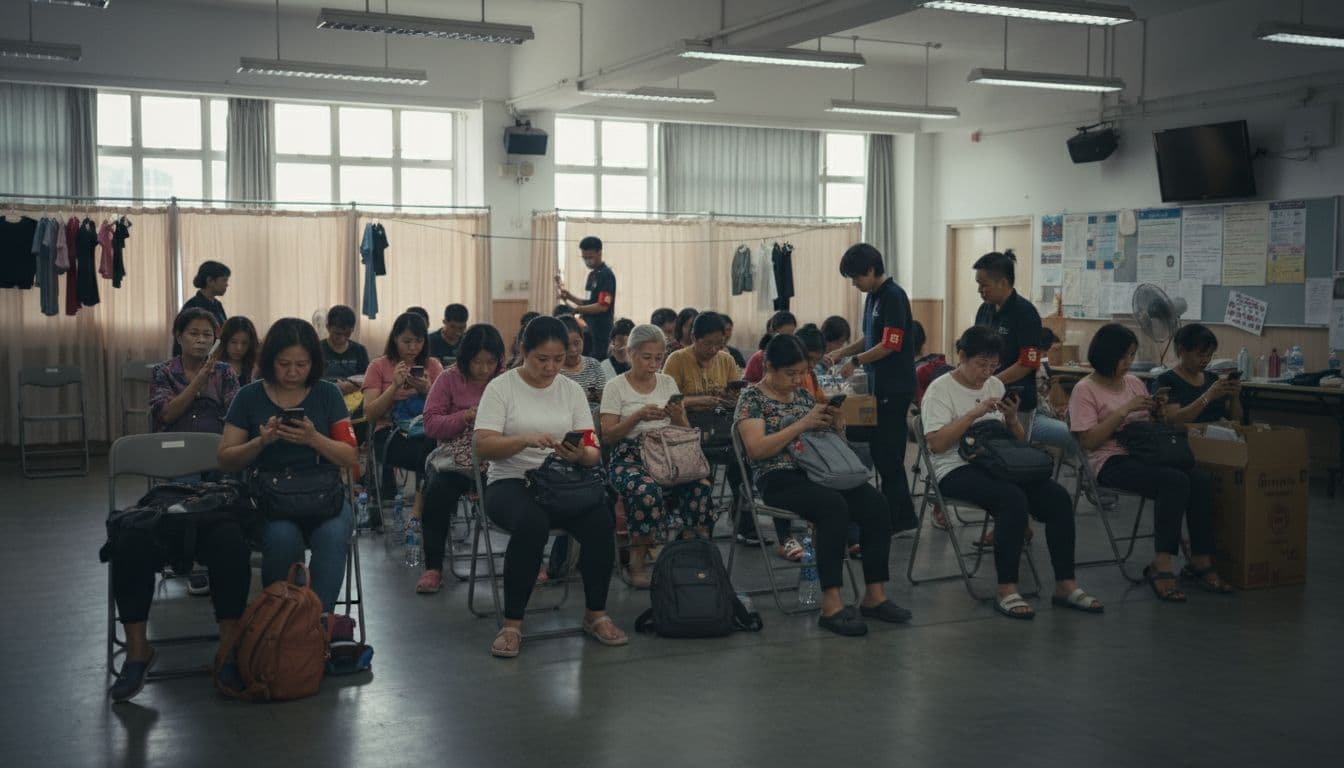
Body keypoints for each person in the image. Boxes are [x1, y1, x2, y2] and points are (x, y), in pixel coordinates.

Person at [922, 326, 1102, 619]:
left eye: (993, 366)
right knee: (1012, 499)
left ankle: (1065, 584)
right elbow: (937, 444)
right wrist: (973, 414)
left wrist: (1010, 418)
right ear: (962, 356)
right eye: (981, 364)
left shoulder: (994, 385)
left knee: (1057, 497)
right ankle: (1007, 588)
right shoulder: (939, 390)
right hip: (956, 467)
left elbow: (1017, 443)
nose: (987, 373)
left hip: (998, 462)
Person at [474, 316, 627, 657]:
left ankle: (596, 613)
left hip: (562, 481)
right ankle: (512, 623)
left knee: (601, 520)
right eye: (542, 359)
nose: (551, 367)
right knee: (532, 522)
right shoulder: (502, 388)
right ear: (523, 351)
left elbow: (592, 451)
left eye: (558, 360)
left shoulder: (571, 390)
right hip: (511, 481)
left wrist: (578, 454)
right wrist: (523, 440)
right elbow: (482, 446)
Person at [736, 335, 909, 636]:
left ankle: (875, 595)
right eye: (790, 373)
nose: (798, 379)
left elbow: (829, 445)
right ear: (768, 366)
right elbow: (757, 450)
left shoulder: (804, 397)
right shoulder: (752, 399)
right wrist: (801, 424)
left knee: (876, 505)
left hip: (818, 471)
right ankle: (831, 603)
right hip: (777, 477)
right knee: (833, 508)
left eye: (802, 373)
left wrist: (836, 422)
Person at [1069, 323, 1233, 601]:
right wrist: (1123, 411)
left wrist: (1156, 413)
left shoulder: (1133, 382)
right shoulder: (1085, 389)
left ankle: (1200, 559)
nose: (1129, 363)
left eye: (1132, 355)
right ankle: (1162, 564)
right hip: (1111, 461)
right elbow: (1088, 442)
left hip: (1146, 453)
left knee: (1200, 478)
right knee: (1173, 481)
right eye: (1124, 356)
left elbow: (1151, 424)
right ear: (1106, 355)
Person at [217, 318, 360, 637]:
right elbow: (225, 457)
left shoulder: (327, 395)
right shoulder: (249, 397)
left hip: (325, 496)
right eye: (284, 364)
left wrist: (314, 439)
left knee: (334, 535)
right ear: (269, 362)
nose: (293, 372)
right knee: (282, 538)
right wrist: (261, 441)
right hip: (270, 497)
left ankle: (314, 626)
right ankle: (280, 621)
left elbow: (350, 456)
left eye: (302, 364)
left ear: (314, 363)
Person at [600, 324, 717, 587]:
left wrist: (676, 416)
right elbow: (608, 436)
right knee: (645, 491)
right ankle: (637, 564)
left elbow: (684, 431)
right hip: (628, 456)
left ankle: (685, 555)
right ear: (630, 353)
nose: (653, 364)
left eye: (658, 358)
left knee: (700, 487)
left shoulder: (667, 382)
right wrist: (638, 416)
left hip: (668, 453)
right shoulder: (615, 387)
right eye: (646, 357)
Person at [825, 243, 919, 535]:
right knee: (880, 453)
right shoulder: (874, 297)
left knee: (889, 456)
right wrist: (841, 353)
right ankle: (891, 515)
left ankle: (900, 519)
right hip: (879, 386)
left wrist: (855, 360)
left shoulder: (893, 296)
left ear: (870, 270)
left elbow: (891, 343)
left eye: (855, 277)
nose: (854, 283)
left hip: (896, 386)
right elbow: (870, 337)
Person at [416, 324, 506, 594]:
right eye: (477, 362)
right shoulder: (448, 379)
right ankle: (433, 567)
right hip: (456, 457)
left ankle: (529, 558)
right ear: (464, 359)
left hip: (497, 454)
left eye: (490, 362)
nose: (484, 369)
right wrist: (464, 417)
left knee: (521, 491)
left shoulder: (505, 380)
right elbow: (431, 424)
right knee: (436, 493)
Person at [662, 312, 752, 542]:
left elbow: (735, 398)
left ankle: (745, 522)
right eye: (708, 344)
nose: (713, 350)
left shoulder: (727, 359)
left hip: (720, 426)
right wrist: (697, 401)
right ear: (694, 337)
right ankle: (700, 525)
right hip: (686, 427)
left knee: (743, 459)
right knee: (702, 469)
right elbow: (667, 401)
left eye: (719, 344)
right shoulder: (677, 360)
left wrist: (731, 398)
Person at [972, 249, 1073, 453]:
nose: (980, 291)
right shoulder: (985, 310)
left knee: (1013, 455)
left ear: (1002, 282)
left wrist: (993, 381)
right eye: (978, 285)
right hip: (985, 396)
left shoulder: (1025, 313)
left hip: (1015, 402)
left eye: (984, 285)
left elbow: (1028, 363)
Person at [363, 312, 444, 520]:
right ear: (395, 339)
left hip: (427, 430)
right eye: (406, 341)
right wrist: (395, 388)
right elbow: (370, 414)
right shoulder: (378, 366)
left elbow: (446, 412)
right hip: (389, 434)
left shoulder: (432, 365)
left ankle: (430, 509)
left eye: (418, 341)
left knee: (437, 450)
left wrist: (427, 390)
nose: (413, 348)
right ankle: (427, 511)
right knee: (431, 456)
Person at [151, 308, 240, 435]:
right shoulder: (163, 372)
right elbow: (166, 415)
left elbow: (235, 416)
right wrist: (198, 381)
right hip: (172, 444)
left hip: (215, 443)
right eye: (194, 334)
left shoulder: (224, 372)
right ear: (179, 337)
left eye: (207, 335)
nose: (201, 340)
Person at [1156, 323, 1244, 425]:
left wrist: (1234, 396)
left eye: (1209, 355)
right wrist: (1208, 396)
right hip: (1187, 438)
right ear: (1181, 351)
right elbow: (1173, 421)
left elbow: (1236, 420)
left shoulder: (1212, 378)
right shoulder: (1167, 381)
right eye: (1200, 355)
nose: (1205, 360)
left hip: (1219, 436)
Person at [557, 235, 616, 360]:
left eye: (590, 257)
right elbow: (589, 302)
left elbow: (602, 306)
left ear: (599, 252)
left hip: (600, 330)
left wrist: (578, 309)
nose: (587, 261)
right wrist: (570, 297)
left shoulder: (606, 275)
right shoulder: (592, 275)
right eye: (585, 258)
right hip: (588, 329)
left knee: (596, 362)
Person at [173, 260, 229, 356]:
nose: (227, 284)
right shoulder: (192, 306)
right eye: (224, 280)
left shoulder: (217, 304)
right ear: (210, 281)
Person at [557, 314, 608, 413]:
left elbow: (605, 401)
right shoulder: (555, 371)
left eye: (577, 343)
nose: (573, 350)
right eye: (567, 346)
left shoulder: (594, 365)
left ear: (583, 339)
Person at [321, 305, 369, 396]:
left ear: (353, 329)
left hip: (354, 396)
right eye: (337, 334)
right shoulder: (318, 349)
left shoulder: (359, 350)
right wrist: (334, 388)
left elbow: (367, 380)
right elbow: (310, 381)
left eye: (347, 334)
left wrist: (351, 387)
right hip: (325, 396)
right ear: (328, 327)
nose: (342, 338)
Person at [744, 310, 798, 384]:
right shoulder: (759, 357)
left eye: (790, 335)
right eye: (782, 336)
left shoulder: (797, 357)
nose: (787, 340)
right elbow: (746, 383)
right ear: (772, 332)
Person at [217, 316, 260, 387]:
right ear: (225, 341)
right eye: (233, 342)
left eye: (244, 343)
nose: (239, 348)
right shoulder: (214, 367)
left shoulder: (256, 368)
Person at [429, 303, 469, 369]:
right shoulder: (430, 341)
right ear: (444, 322)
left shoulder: (468, 341)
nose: (458, 332)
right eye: (453, 327)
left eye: (461, 328)